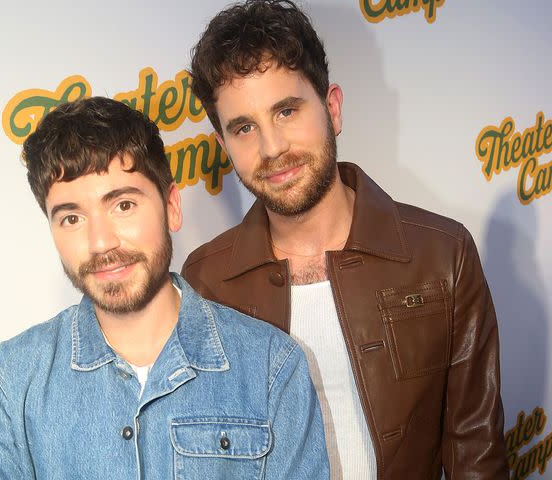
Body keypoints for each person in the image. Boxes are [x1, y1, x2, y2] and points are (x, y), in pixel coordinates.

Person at [181, 1, 509, 478]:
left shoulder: (442, 255)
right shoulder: (205, 281)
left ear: (332, 108)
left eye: (287, 111)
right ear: (224, 145)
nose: (272, 148)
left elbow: (477, 454)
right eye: (244, 128)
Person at [0, 97, 329, 479]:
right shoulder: (10, 385)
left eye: (123, 205)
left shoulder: (271, 367)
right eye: (71, 218)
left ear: (171, 206)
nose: (100, 243)